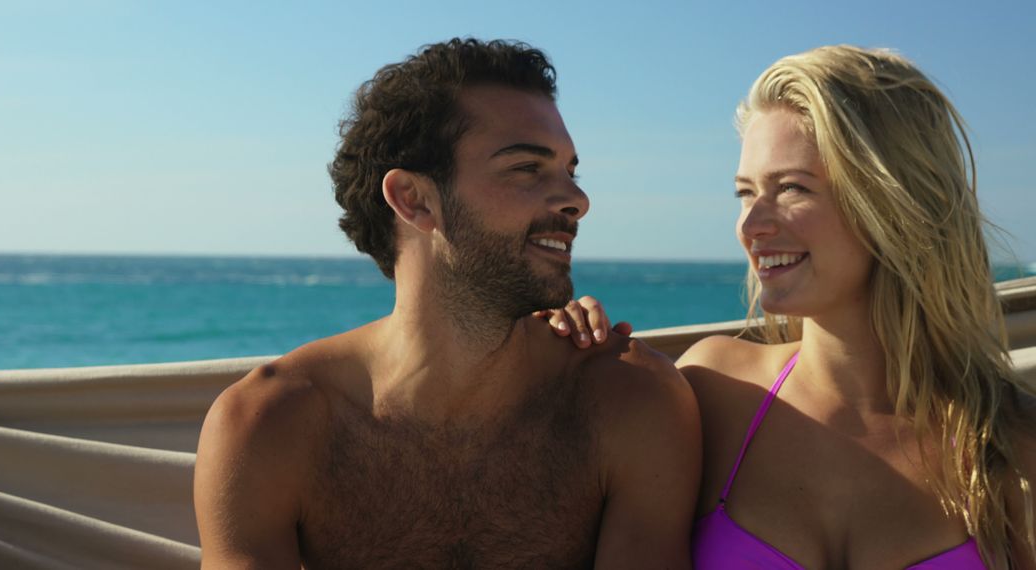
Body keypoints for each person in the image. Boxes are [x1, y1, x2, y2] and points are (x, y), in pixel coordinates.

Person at [193, 38, 700, 569]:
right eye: (527, 167)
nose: (578, 199)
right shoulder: (270, 427)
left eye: (570, 170)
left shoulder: (629, 402)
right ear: (413, 199)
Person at [552, 45, 1036, 568]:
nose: (750, 224)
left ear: (895, 203)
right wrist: (571, 356)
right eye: (745, 193)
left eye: (790, 188)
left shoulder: (1011, 442)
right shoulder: (712, 393)